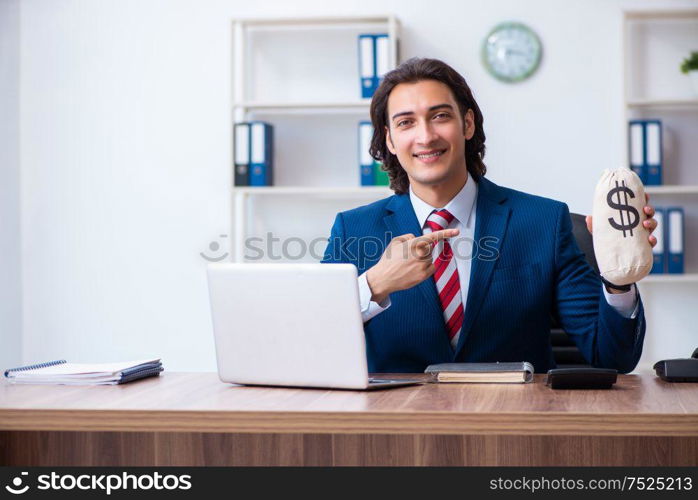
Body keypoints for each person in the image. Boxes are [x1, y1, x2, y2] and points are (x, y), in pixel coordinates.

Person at [322, 58, 657, 373]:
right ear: (390, 140)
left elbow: (612, 354)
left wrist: (617, 274)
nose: (425, 136)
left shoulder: (544, 222)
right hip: (397, 427)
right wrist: (376, 284)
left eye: (440, 116)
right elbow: (311, 338)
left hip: (513, 423)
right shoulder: (353, 229)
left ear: (467, 124)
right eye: (406, 122)